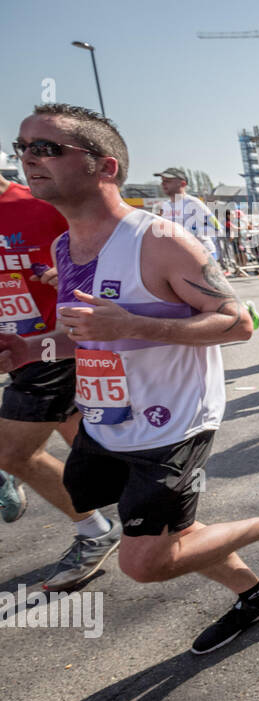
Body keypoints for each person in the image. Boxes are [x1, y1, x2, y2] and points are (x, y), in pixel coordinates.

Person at [1, 104, 259, 653]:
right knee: (172, 532)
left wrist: (130, 323)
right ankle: (253, 594)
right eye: (23, 146)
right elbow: (85, 335)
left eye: (48, 148)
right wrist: (30, 348)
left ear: (106, 167)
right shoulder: (63, 247)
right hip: (106, 415)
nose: (29, 158)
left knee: (144, 562)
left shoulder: (161, 241)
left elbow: (238, 323)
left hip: (171, 422)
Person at [0, 167, 121, 589]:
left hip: (52, 346)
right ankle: (158, 515)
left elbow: (106, 255)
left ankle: (96, 531)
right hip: (14, 352)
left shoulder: (40, 205)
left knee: (12, 452)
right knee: (91, 444)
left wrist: (66, 279)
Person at [153, 167, 220, 265]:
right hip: (180, 257)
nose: (163, 184)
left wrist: (189, 232)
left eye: (168, 181)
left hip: (203, 255)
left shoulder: (194, 203)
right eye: (162, 181)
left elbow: (216, 227)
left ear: (183, 184)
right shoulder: (164, 207)